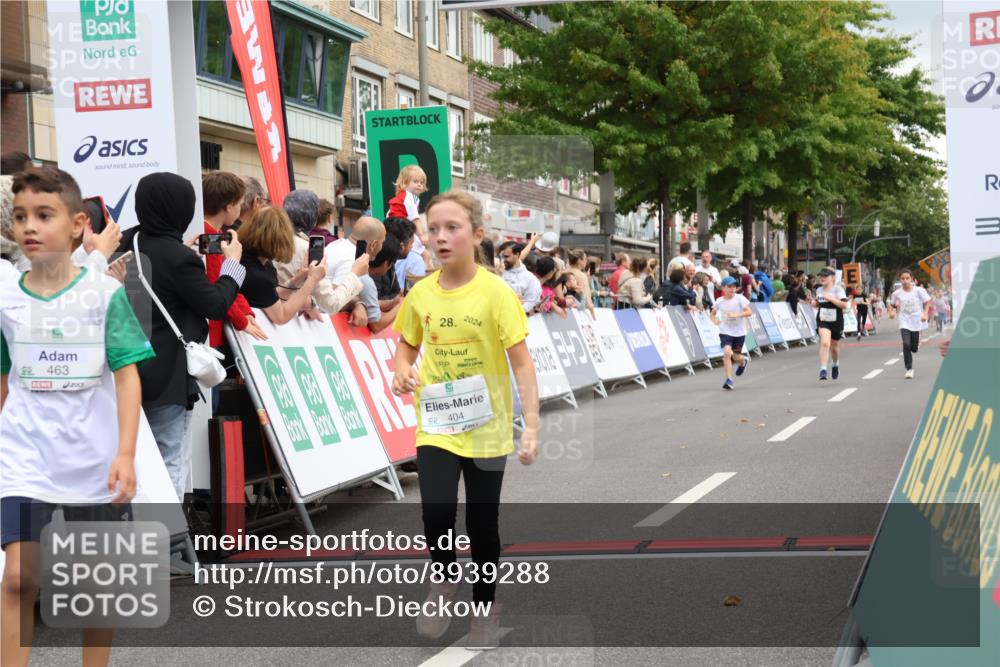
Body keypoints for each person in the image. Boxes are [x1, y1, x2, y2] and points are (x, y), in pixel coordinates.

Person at [2, 167, 155, 667]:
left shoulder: (103, 294)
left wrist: (126, 455)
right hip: (25, 454)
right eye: (21, 215)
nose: (30, 226)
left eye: (44, 215)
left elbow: (128, 375)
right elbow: (4, 378)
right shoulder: (4, 299)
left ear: (76, 224)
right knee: (20, 576)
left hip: (94, 457)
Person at [391, 191, 539, 650]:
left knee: (482, 524)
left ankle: (485, 608)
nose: (440, 237)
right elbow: (407, 344)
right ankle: (445, 579)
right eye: (433, 229)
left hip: (486, 427)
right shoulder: (420, 293)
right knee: (435, 513)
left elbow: (523, 363)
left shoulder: (497, 293)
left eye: (452, 228)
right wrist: (400, 371)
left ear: (476, 235)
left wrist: (530, 424)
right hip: (437, 422)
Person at [119, 172, 246, 501]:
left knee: (130, 460)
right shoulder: (178, 258)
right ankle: (167, 544)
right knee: (169, 460)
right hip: (167, 376)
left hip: (124, 373)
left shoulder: (125, 244)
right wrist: (232, 266)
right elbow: (215, 304)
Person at [201, 172, 267, 351]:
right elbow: (219, 284)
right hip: (210, 335)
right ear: (229, 207)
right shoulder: (209, 237)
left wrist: (245, 312)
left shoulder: (212, 234)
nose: (240, 207)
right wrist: (242, 320)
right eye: (239, 203)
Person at [237, 206, 329, 325]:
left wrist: (299, 277)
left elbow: (270, 295)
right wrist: (312, 280)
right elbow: (281, 316)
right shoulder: (256, 274)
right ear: (282, 238)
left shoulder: (252, 260)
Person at [279, 189, 364, 316]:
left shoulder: (265, 239)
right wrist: (355, 274)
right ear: (312, 216)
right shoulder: (308, 249)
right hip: (288, 321)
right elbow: (331, 303)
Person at [325, 216, 386, 325]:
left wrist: (358, 303)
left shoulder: (335, 245)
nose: (382, 247)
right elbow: (332, 299)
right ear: (374, 245)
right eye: (382, 243)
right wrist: (357, 304)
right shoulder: (352, 260)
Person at [888, 269, 933, 379]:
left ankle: (916, 344)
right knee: (906, 344)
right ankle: (909, 369)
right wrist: (892, 312)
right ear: (900, 280)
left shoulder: (919, 291)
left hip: (916, 321)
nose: (905, 280)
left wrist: (925, 313)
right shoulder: (897, 293)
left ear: (911, 279)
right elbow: (892, 304)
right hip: (904, 321)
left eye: (907, 278)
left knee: (914, 348)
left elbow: (928, 301)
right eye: (902, 278)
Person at [354, 235, 403, 333]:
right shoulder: (366, 281)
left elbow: (370, 302)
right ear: (386, 263)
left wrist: (393, 303)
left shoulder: (355, 267)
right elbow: (376, 326)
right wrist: (402, 305)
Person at [710, 276, 752, 390]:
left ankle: (743, 361)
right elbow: (712, 313)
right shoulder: (719, 301)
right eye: (729, 287)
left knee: (736, 357)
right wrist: (715, 321)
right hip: (725, 331)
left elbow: (749, 312)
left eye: (734, 286)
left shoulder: (740, 298)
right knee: (727, 353)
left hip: (739, 332)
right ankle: (729, 380)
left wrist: (736, 315)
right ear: (723, 288)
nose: (732, 289)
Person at [386, 164, 432, 270]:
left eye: (421, 182)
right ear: (404, 183)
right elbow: (415, 218)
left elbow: (389, 214)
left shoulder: (402, 197)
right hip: (404, 232)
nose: (419, 185)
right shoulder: (409, 197)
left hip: (397, 231)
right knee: (426, 256)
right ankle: (428, 279)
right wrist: (421, 236)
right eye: (415, 182)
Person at [810, 267, 848, 380]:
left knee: (834, 348)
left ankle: (835, 365)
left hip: (836, 320)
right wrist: (814, 303)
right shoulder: (819, 290)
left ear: (832, 278)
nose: (822, 278)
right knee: (825, 343)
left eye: (825, 276)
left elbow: (844, 305)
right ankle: (823, 369)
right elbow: (817, 303)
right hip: (823, 319)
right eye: (821, 276)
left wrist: (831, 298)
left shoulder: (838, 290)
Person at [499, 241, 542, 313]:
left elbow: (530, 303)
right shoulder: (497, 272)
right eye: (501, 257)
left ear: (517, 254)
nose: (503, 260)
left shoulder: (530, 279)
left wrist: (515, 309)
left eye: (506, 256)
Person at [386, 217, 427, 292]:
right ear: (402, 246)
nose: (412, 247)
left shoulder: (378, 258)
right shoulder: (415, 260)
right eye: (411, 243)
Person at [566, 249, 596, 318]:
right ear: (579, 260)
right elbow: (586, 295)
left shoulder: (564, 272)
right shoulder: (581, 275)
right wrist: (593, 314)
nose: (586, 261)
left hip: (564, 308)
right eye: (585, 259)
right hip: (578, 311)